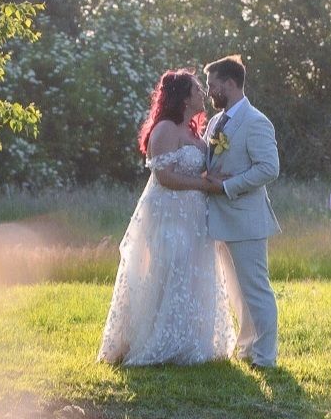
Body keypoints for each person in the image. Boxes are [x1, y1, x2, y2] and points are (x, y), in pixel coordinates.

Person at [97, 69, 235, 366]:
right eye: (198, 90)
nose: (203, 95)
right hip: (169, 214)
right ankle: (158, 342)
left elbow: (196, 168)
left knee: (193, 274)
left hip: (195, 216)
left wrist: (214, 177)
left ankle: (190, 342)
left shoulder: (194, 132)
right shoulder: (164, 130)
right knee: (169, 269)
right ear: (184, 97)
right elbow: (164, 177)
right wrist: (205, 184)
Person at [202, 55, 281, 369]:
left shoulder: (256, 121)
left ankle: (266, 356)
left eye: (212, 85)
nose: (209, 92)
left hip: (246, 219)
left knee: (256, 289)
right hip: (221, 219)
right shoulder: (215, 122)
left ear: (230, 84)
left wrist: (226, 186)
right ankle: (247, 348)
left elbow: (269, 169)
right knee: (236, 291)